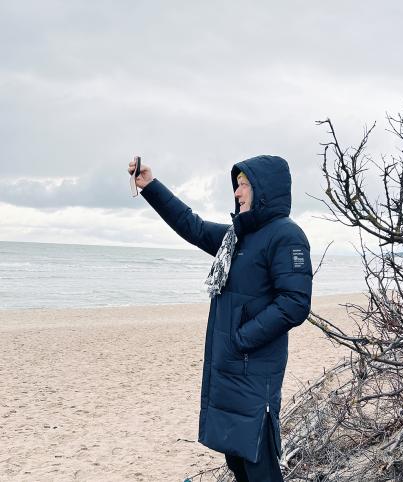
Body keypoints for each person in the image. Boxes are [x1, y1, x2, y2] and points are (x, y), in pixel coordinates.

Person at [127, 155, 313, 482]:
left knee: (260, 466)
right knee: (237, 462)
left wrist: (241, 338)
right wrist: (150, 187)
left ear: (265, 189)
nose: (237, 193)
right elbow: (193, 226)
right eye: (237, 185)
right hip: (229, 370)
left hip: (254, 373)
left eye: (244, 185)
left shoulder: (286, 235)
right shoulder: (236, 237)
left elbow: (295, 303)